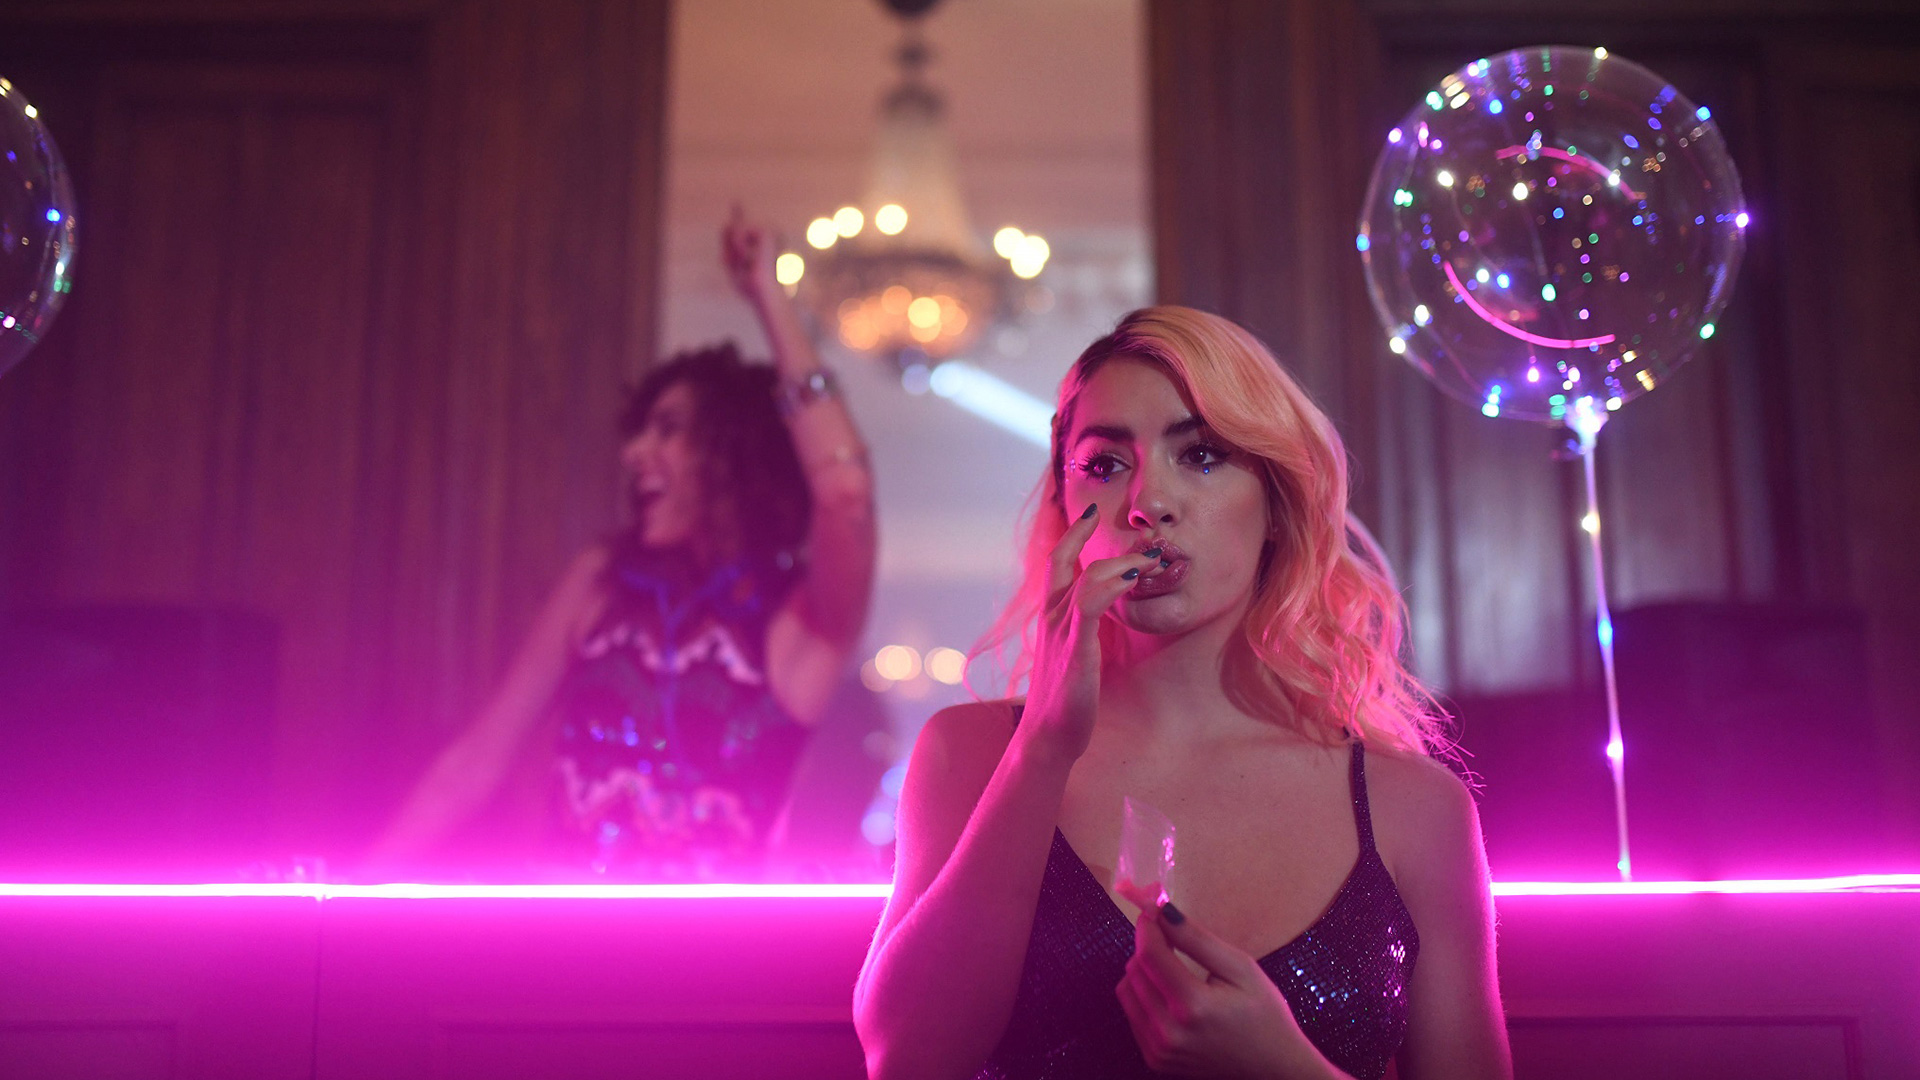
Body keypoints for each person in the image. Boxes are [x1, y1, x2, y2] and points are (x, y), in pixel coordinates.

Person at [853, 307, 1510, 1079]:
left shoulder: (1415, 808)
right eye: (1105, 464)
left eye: (1200, 455)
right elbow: (906, 1062)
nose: (1147, 503)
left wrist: (1286, 1070)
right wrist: (1044, 751)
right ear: (1066, 506)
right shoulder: (972, 754)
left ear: (1277, 503)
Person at [366, 210, 876, 880]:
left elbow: (845, 494)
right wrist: (344, 908)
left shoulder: (802, 620)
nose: (635, 453)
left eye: (668, 429)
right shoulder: (600, 581)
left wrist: (769, 298)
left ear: (733, 451)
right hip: (568, 942)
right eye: (639, 432)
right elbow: (474, 765)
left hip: (719, 948)